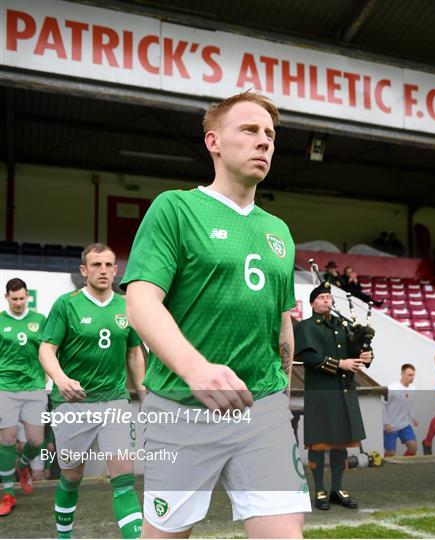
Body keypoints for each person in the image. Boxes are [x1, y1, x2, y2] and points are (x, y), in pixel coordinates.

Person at [122, 90, 311, 539]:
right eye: (249, 130)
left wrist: (280, 394)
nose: (264, 141)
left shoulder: (277, 230)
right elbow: (141, 301)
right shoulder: (176, 208)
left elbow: (282, 323)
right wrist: (195, 369)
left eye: (270, 134)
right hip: (182, 409)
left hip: (261, 410)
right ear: (214, 142)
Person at [39, 243, 146, 539]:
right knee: (72, 475)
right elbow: (47, 349)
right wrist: (60, 379)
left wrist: (146, 394)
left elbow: (135, 354)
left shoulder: (127, 305)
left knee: (123, 479)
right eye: (96, 265)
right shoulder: (66, 304)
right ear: (84, 270)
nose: (103, 270)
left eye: (108, 265)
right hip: (72, 404)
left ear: (116, 270)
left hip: (115, 402)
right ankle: (63, 536)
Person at [294, 283, 372, 511]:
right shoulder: (306, 327)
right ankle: (319, 489)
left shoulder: (342, 326)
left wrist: (365, 355)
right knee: (318, 443)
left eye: (328, 297)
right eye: (321, 298)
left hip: (344, 391)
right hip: (320, 392)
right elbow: (309, 358)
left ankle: (337, 489)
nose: (326, 300)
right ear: (312, 303)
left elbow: (356, 351)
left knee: (340, 442)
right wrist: (341, 364)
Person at [0, 278, 47, 516]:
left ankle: (24, 466)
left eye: (22, 298)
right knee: (7, 439)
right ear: (6, 297)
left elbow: (49, 351)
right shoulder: (0, 321)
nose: (19, 302)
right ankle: (7, 494)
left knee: (36, 441)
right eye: (14, 298)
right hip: (6, 387)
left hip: (35, 387)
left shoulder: (39, 321)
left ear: (27, 297)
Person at [382, 364, 418, 457]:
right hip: (390, 426)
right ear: (402, 374)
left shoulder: (412, 389)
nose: (412, 377)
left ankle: (404, 465)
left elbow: (409, 405)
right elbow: (382, 405)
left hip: (404, 425)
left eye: (413, 375)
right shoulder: (392, 388)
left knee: (413, 448)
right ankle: (385, 469)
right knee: (390, 453)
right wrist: (386, 423)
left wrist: (413, 417)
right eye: (409, 375)